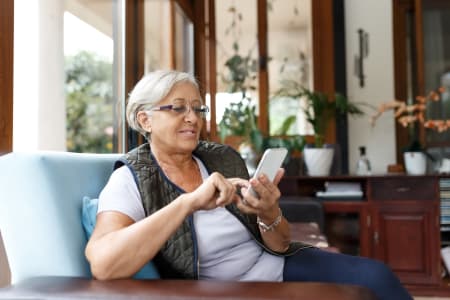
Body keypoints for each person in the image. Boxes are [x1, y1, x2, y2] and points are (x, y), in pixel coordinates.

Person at [85, 70, 412, 300]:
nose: (193, 118)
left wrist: (269, 212)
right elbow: (103, 264)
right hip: (225, 287)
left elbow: (281, 243)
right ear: (145, 119)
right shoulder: (129, 178)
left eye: (198, 108)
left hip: (279, 265)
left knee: (376, 277)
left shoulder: (221, 158)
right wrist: (187, 203)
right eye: (178, 108)